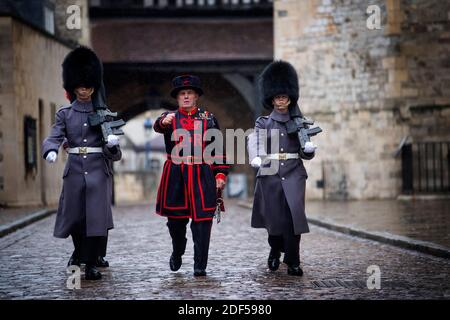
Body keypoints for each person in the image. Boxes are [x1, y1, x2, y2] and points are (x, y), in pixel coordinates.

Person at [42, 46, 122, 280]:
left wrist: (112, 144)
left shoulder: (104, 113)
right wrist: (50, 150)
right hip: (75, 169)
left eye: (87, 86)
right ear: (73, 87)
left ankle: (88, 264)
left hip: (98, 170)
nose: (84, 90)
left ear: (93, 86)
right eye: (80, 86)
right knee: (76, 219)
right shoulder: (64, 114)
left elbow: (115, 154)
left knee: (95, 220)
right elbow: (55, 135)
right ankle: (79, 254)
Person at [153, 75, 230, 277]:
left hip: (202, 173)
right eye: (182, 94)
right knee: (176, 224)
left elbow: (218, 149)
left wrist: (220, 173)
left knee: (203, 222)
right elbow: (157, 126)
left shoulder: (209, 118)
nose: (186, 97)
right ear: (177, 98)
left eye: (189, 93)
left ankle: (200, 266)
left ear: (196, 96)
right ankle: (178, 251)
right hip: (176, 175)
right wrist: (163, 120)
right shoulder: (169, 118)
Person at [247, 60, 318, 276]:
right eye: (277, 97)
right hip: (269, 172)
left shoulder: (300, 121)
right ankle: (274, 250)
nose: (281, 100)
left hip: (294, 172)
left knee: (294, 216)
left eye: (284, 96)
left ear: (290, 98)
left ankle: (294, 261)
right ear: (272, 98)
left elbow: (306, 153)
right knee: (275, 221)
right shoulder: (263, 122)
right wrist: (256, 157)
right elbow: (254, 140)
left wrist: (308, 148)